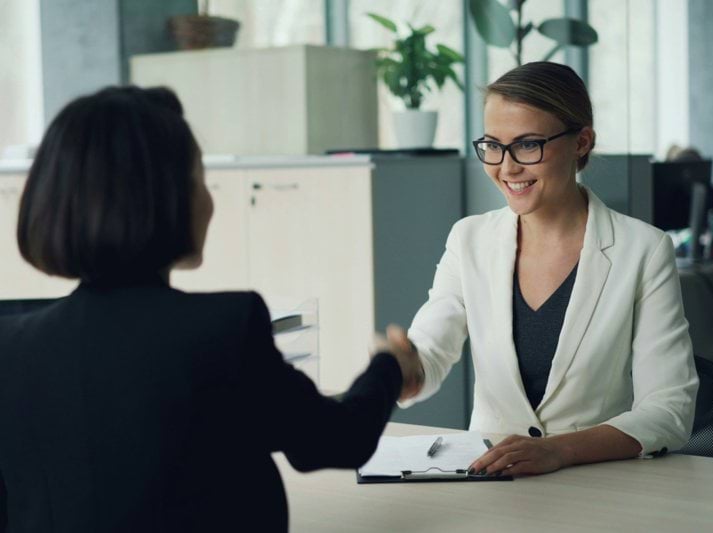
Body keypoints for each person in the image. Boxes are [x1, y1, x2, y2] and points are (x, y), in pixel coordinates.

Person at [0, 86, 421, 533]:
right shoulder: (221, 330)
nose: (209, 200)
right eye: (199, 178)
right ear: (165, 198)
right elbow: (335, 441)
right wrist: (389, 366)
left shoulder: (10, 347)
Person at [395, 62, 699, 476]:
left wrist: (559, 450)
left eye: (527, 145)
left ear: (581, 142)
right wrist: (405, 370)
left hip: (597, 485)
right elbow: (430, 351)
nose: (506, 167)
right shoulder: (469, 240)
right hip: (492, 484)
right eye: (493, 145)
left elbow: (670, 410)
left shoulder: (643, 250)